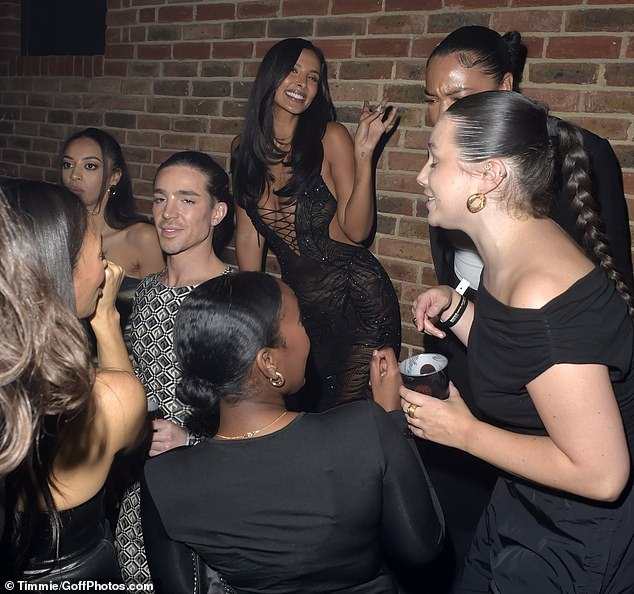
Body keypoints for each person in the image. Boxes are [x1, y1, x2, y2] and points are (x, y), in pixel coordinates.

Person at [417, 25, 634, 590]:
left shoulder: (541, 284)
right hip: (525, 495)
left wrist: (462, 432)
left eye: (433, 160)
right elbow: (521, 352)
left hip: (577, 527)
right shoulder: (511, 254)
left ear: (487, 177)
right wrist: (458, 313)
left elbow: (604, 474)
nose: (421, 176)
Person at [141, 271, 443, 594]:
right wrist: (393, 420)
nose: (308, 335)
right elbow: (423, 547)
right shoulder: (365, 428)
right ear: (269, 363)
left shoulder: (163, 480)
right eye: (300, 322)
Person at [232, 37, 401, 412]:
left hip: (360, 304)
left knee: (351, 418)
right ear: (271, 75)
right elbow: (248, 235)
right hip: (304, 314)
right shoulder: (242, 149)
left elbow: (357, 233)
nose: (301, 84)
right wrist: (256, 313)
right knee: (308, 415)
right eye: (293, 71)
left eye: (312, 77)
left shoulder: (330, 137)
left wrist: (364, 155)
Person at [0, 179, 147, 581]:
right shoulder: (108, 399)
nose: (105, 267)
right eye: (99, 253)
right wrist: (108, 319)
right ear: (60, 271)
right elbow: (133, 434)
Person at [115, 151, 234, 587]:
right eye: (160, 198)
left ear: (217, 212)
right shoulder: (145, 291)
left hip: (208, 486)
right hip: (137, 484)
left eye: (186, 200)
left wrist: (191, 439)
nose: (167, 213)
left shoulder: (237, 296)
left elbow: (267, 409)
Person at [61, 127, 165, 327]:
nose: (74, 175)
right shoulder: (53, 233)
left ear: (115, 177)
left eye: (90, 166)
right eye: (67, 164)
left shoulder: (141, 238)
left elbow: (157, 318)